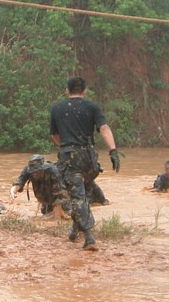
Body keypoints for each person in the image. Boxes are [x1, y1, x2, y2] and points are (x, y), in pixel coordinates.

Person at [50, 76, 121, 250]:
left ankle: (89, 237)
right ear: (84, 91)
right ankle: (75, 229)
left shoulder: (57, 109)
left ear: (67, 91)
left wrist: (66, 147)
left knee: (77, 196)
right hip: (90, 158)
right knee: (80, 193)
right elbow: (104, 128)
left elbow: (55, 136)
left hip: (69, 158)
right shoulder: (92, 107)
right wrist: (113, 151)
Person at [10, 155, 70, 219]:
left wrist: (58, 209)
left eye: (37, 171)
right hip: (45, 199)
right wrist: (14, 189)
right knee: (45, 213)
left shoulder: (53, 171)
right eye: (32, 172)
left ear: (42, 168)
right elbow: (20, 181)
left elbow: (60, 192)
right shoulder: (27, 170)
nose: (34, 174)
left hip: (61, 198)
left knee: (67, 214)